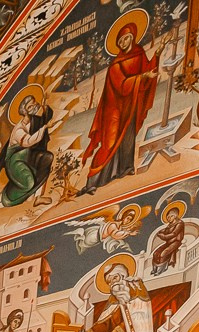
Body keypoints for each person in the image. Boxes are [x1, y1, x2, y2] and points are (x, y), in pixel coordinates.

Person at [82, 15, 158, 196]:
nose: (123, 42)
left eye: (126, 38)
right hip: (114, 110)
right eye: (120, 40)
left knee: (128, 137)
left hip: (131, 104)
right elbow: (121, 85)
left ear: (132, 37)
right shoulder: (115, 65)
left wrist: (157, 56)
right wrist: (142, 78)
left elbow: (147, 69)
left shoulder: (139, 53)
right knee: (109, 143)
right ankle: (92, 181)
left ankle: (125, 168)